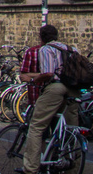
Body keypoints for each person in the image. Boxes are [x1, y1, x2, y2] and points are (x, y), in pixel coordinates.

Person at [18, 23, 71, 172]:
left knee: (36, 127)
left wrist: (34, 79)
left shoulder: (46, 49)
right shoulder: (70, 49)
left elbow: (48, 73)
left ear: (41, 38)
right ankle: (72, 168)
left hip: (55, 89)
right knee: (69, 130)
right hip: (73, 90)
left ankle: (31, 168)